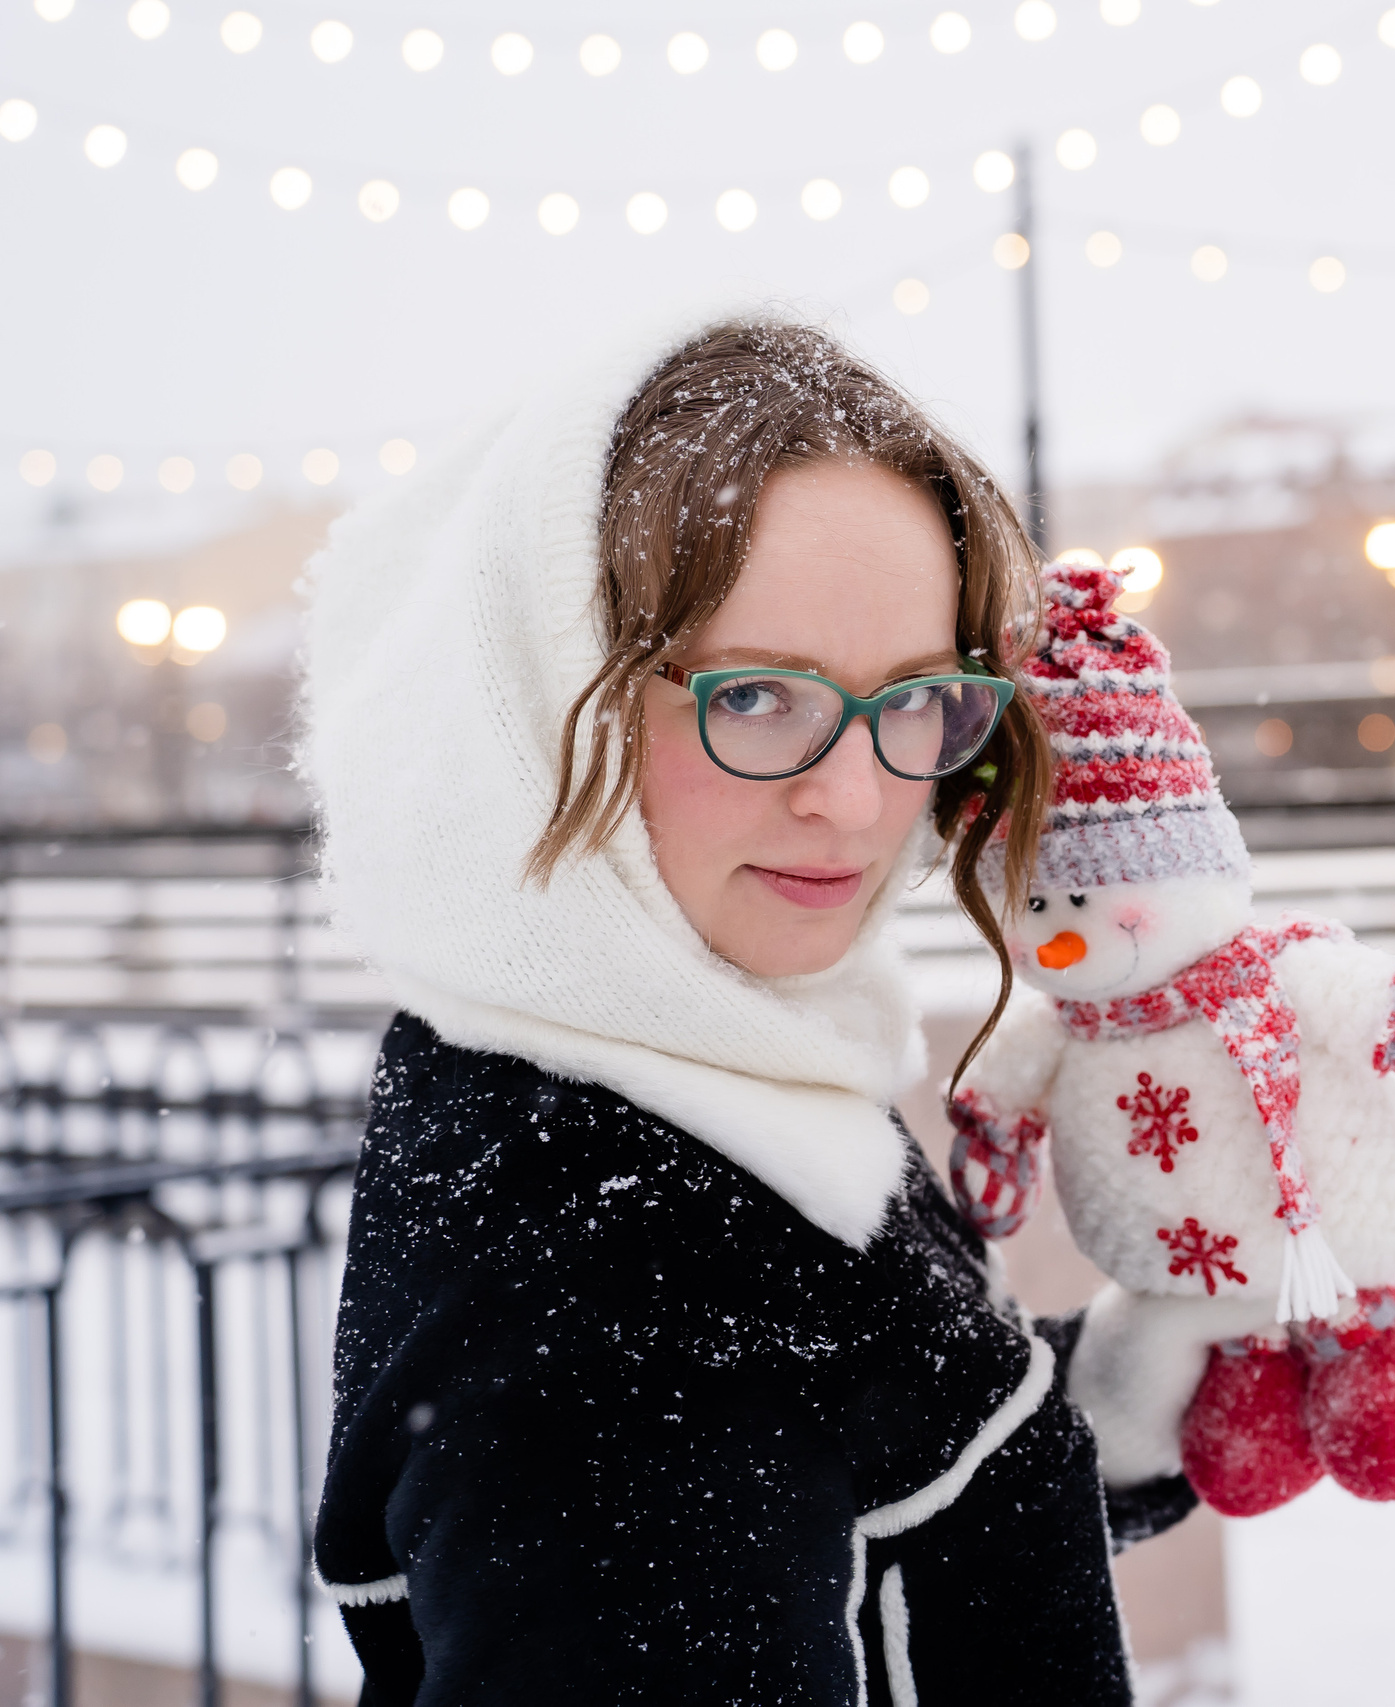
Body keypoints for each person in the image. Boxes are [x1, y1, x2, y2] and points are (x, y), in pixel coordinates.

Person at [300, 315, 1195, 1703]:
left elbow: (855, 1485)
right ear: (550, 702)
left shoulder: (677, 1062)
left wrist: (1140, 1393)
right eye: (759, 693)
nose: (852, 795)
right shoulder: (611, 1293)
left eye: (913, 698)